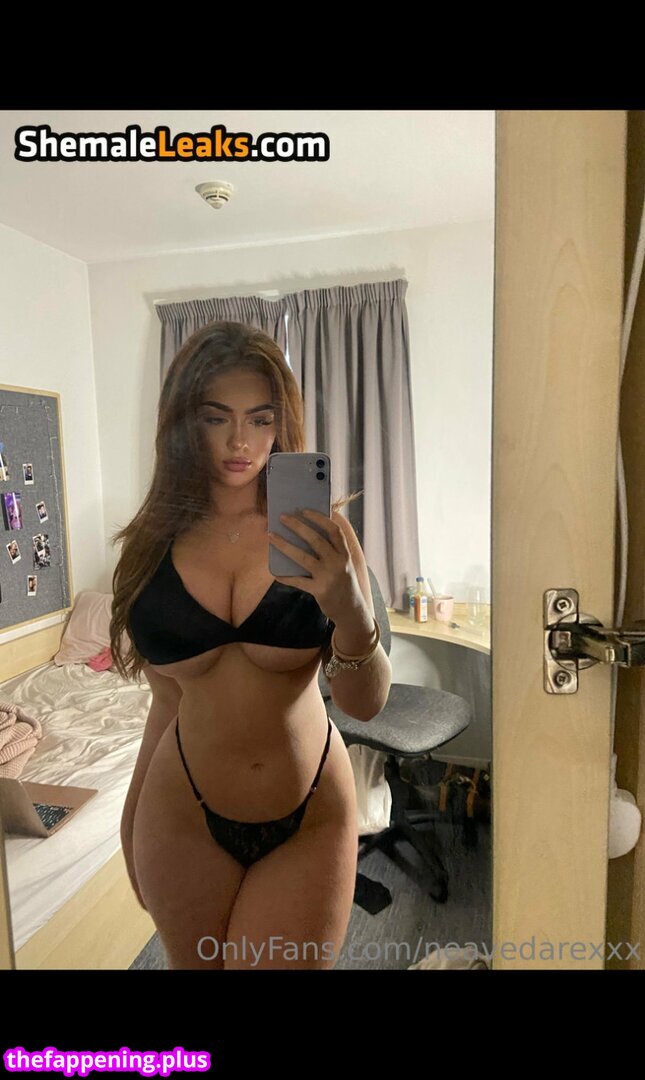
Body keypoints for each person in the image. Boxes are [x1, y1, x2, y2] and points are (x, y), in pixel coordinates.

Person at [110, 320, 392, 970]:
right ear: (184, 422)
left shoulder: (323, 536)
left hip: (307, 813)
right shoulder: (151, 547)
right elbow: (166, 701)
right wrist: (132, 816)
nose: (240, 442)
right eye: (217, 418)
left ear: (281, 423)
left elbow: (367, 704)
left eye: (260, 419)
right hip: (180, 811)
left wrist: (350, 612)